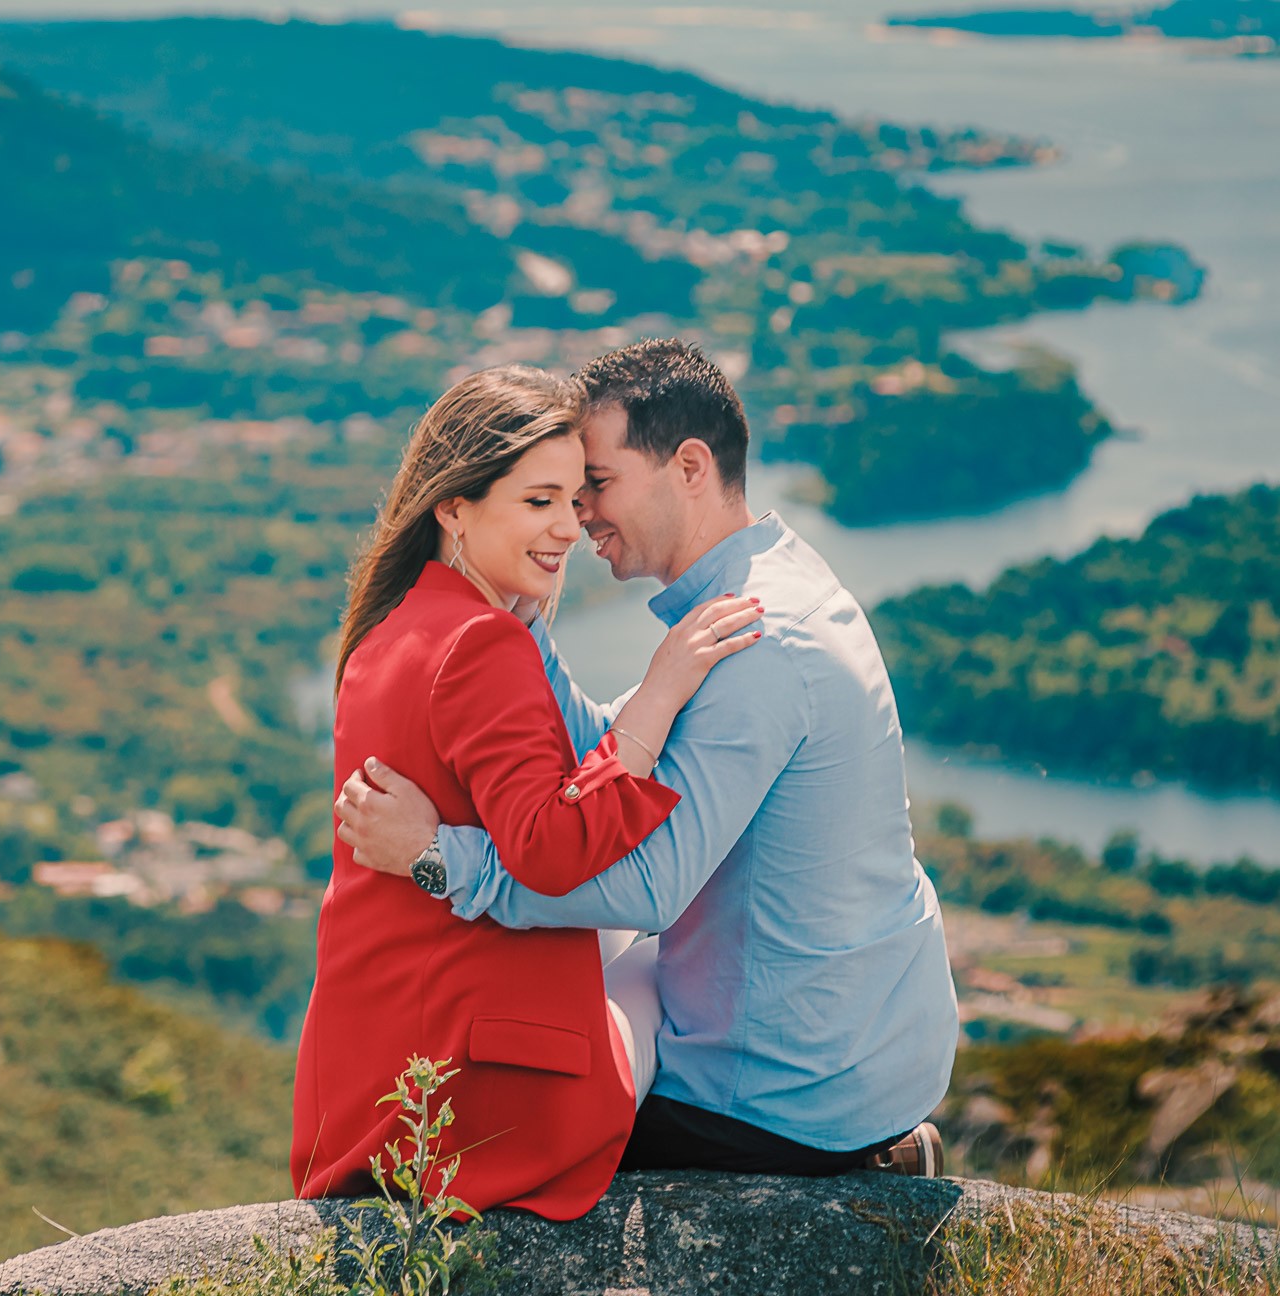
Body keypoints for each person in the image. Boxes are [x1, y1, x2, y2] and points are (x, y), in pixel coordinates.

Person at [336, 339, 956, 1178]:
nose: (580, 514)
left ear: (689, 465)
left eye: (598, 484)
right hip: (860, 1041)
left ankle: (874, 1164)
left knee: (507, 1132)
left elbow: (647, 887)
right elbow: (618, 756)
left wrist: (437, 859)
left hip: (779, 1093)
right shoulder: (764, 585)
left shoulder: (757, 643)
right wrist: (527, 631)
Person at [291, 363, 764, 1221]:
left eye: (577, 500)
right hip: (484, 1101)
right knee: (679, 961)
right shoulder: (482, 644)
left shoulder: (387, 629)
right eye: (538, 501)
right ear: (455, 506)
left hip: (373, 1090)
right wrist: (658, 698)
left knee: (629, 939)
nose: (570, 529)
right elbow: (549, 852)